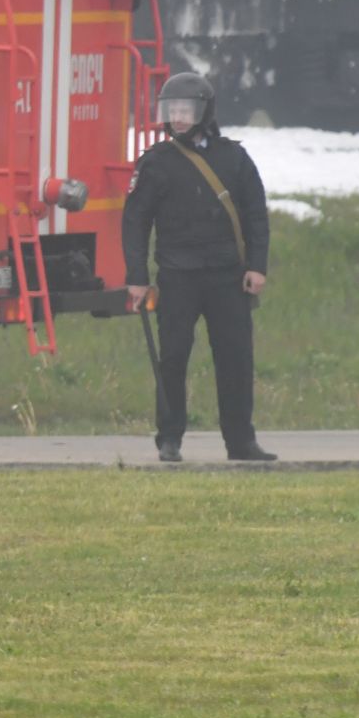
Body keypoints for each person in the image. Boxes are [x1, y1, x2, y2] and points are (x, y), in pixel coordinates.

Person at [123, 72, 275, 463]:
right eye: (171, 110)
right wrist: (137, 278)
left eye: (185, 109)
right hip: (177, 277)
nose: (177, 117)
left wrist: (256, 267)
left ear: (203, 111)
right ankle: (169, 438)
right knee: (172, 357)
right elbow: (135, 222)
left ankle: (241, 442)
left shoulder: (233, 157)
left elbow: (256, 215)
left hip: (228, 276)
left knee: (236, 358)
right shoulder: (155, 163)